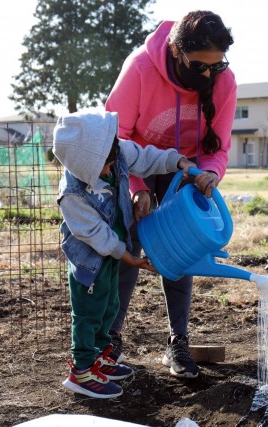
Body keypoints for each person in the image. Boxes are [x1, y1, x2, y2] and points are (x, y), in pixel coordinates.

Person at [105, 10, 236, 379]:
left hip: (186, 169)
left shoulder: (224, 83)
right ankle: (110, 340)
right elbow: (115, 138)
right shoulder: (141, 69)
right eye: (199, 67)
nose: (208, 76)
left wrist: (210, 173)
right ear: (177, 52)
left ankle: (178, 341)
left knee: (183, 246)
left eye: (217, 66)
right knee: (129, 245)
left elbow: (219, 147)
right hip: (137, 162)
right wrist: (138, 187)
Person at [53, 109, 196, 398]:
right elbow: (94, 234)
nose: (108, 171)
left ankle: (100, 358)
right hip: (90, 261)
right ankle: (81, 370)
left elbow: (146, 157)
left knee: (110, 305)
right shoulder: (72, 194)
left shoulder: (117, 153)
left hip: (112, 252)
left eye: (108, 164)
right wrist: (127, 255)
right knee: (88, 313)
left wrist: (175, 160)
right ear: (83, 167)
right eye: (101, 170)